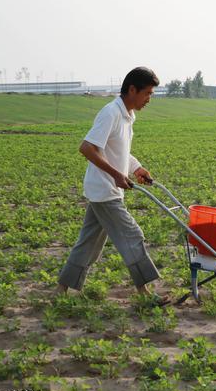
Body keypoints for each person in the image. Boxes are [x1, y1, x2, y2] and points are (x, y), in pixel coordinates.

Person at [56, 67, 169, 306]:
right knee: (132, 235)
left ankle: (61, 290)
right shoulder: (110, 113)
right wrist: (117, 175)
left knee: (88, 245)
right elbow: (87, 148)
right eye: (147, 93)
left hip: (105, 189)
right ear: (132, 90)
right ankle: (145, 294)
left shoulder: (127, 115)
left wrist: (136, 168)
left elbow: (117, 151)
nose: (149, 98)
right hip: (105, 190)